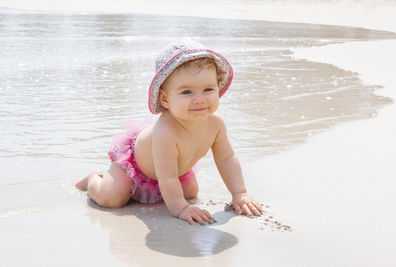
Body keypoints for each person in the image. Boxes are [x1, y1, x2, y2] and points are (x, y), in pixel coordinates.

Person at [75, 41, 262, 225]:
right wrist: (181, 208)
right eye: (187, 92)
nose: (199, 99)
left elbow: (226, 159)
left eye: (208, 89)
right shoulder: (166, 131)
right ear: (165, 99)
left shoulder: (216, 124)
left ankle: (162, 194)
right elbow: (168, 178)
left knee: (190, 192)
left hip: (170, 172)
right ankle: (94, 179)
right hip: (134, 169)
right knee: (112, 199)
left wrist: (239, 193)